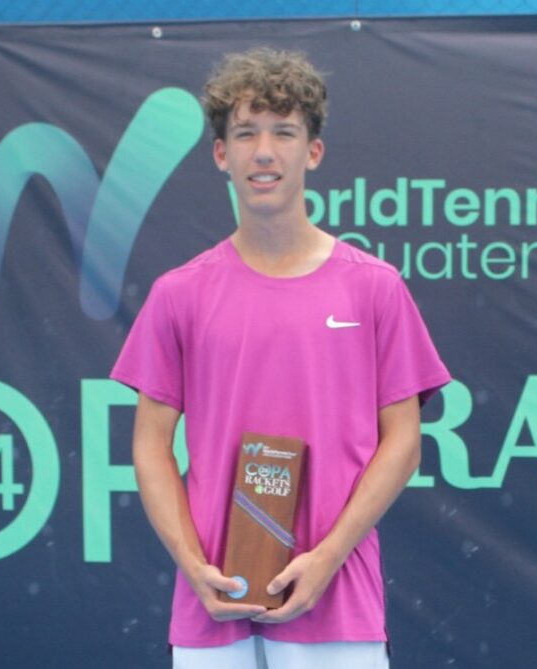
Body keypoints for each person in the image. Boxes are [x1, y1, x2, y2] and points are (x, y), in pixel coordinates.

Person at [110, 47, 450, 669]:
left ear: (312, 152)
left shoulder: (373, 287)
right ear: (221, 154)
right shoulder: (178, 294)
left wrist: (326, 559)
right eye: (245, 133)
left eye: (283, 132)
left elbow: (403, 441)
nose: (264, 151)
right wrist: (193, 566)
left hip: (338, 601)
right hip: (214, 606)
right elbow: (149, 445)